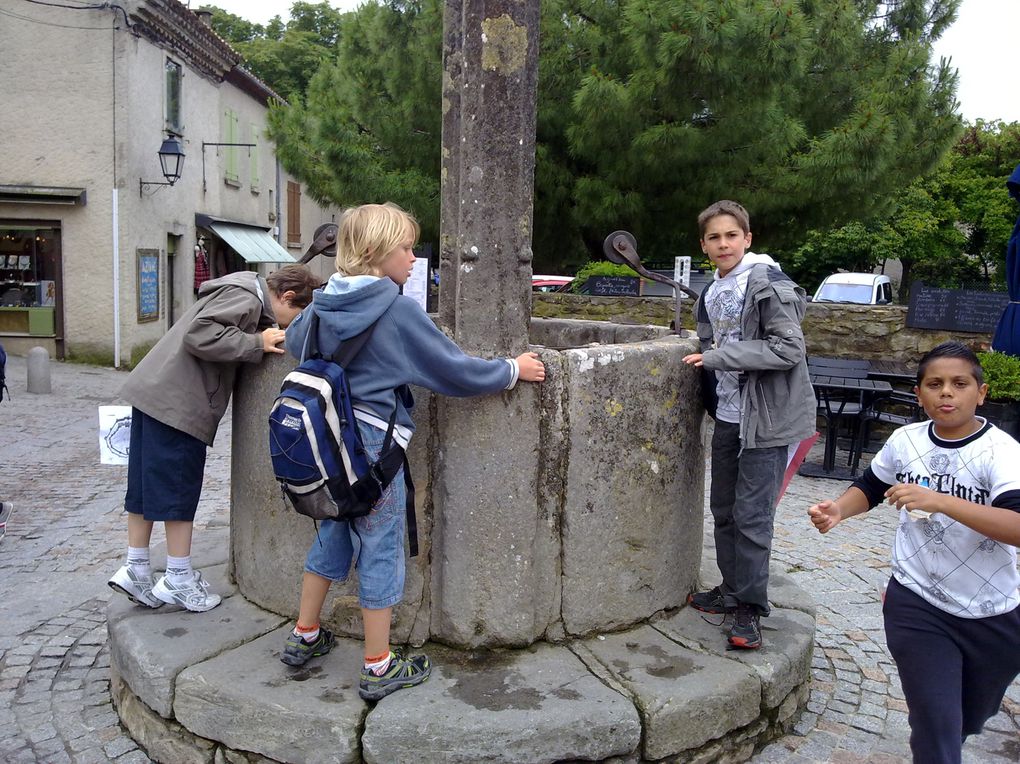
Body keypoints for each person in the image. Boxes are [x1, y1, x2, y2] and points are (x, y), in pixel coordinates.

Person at [279, 202, 545, 701]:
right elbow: (453, 371)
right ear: (379, 252)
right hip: (372, 452)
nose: (412, 257)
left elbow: (295, 339)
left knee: (333, 532)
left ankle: (305, 635)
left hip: (325, 446)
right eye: (405, 247)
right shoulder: (396, 308)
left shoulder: (324, 302)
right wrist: (512, 369)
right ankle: (378, 666)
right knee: (379, 547)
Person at [808, 341, 1020, 764]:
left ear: (981, 392)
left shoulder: (1003, 452)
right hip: (916, 601)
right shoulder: (906, 440)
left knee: (968, 718)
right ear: (919, 394)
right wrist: (838, 510)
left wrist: (941, 500)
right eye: (934, 384)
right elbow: (870, 487)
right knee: (934, 724)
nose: (946, 392)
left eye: (959, 384)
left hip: (993, 613)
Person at [107, 264, 320, 612]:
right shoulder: (247, 297)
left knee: (145, 486)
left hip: (154, 394)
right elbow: (200, 334)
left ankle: (136, 567)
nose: (286, 327)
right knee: (179, 488)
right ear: (287, 297)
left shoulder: (240, 290)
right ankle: (178, 576)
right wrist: (257, 341)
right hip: (179, 403)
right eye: (293, 317)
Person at [682, 199, 815, 649]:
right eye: (715, 237)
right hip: (729, 414)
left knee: (753, 517)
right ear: (704, 245)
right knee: (723, 509)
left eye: (731, 235)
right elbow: (708, 338)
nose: (724, 244)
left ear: (748, 238)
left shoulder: (767, 285)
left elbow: (787, 350)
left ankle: (751, 608)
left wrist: (720, 357)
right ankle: (731, 588)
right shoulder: (713, 290)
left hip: (768, 419)